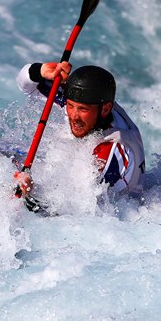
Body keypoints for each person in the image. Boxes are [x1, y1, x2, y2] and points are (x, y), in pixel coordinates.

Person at [14, 61, 145, 211]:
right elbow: (25, 85)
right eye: (70, 106)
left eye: (82, 109)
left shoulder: (113, 148)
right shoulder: (88, 103)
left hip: (115, 215)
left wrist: (31, 193)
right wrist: (41, 70)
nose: (74, 116)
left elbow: (68, 211)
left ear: (105, 109)